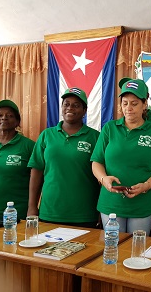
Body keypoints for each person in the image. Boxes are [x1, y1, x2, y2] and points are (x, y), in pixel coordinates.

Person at [91, 78, 151, 235]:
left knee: (136, 251)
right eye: (125, 103)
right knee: (114, 248)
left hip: (143, 204)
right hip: (111, 203)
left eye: (134, 103)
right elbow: (96, 162)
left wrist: (146, 186)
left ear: (144, 104)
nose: (129, 108)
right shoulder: (110, 128)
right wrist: (104, 179)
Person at [27, 88, 100, 228]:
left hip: (84, 214)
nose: (70, 108)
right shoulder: (46, 135)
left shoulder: (95, 137)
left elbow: (101, 178)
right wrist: (32, 207)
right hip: (50, 212)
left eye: (76, 105)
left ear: (85, 111)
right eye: (66, 104)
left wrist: (102, 211)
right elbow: (36, 173)